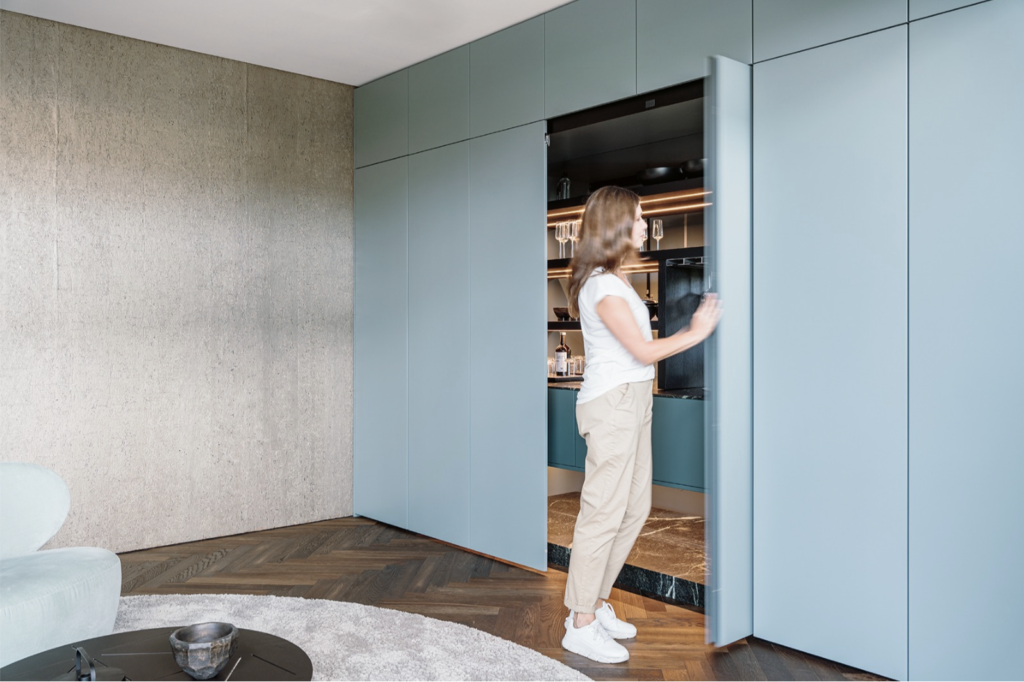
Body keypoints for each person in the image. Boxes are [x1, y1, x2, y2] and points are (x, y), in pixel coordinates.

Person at [560, 186, 722, 664]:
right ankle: (580, 623)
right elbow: (642, 350)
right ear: (615, 225)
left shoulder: (618, 279)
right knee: (603, 513)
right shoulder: (601, 286)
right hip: (612, 404)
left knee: (634, 508)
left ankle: (594, 603)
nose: (645, 225)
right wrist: (695, 331)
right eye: (638, 217)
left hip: (633, 401)